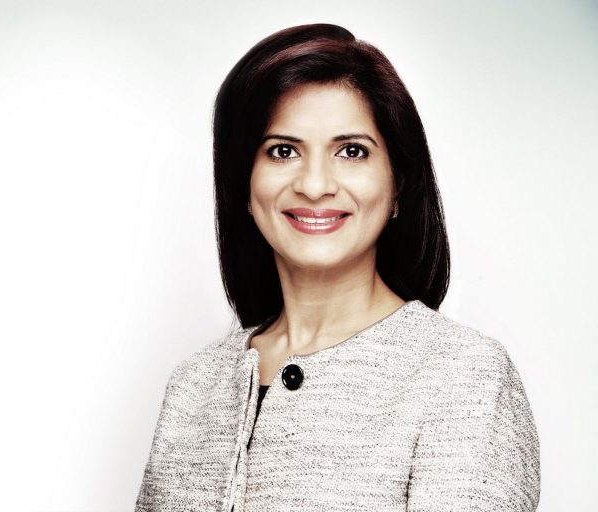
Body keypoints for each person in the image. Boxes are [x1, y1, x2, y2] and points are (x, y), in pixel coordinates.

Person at [134, 23, 540, 511]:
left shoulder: (463, 376)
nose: (314, 185)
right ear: (244, 183)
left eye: (351, 151)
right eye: (283, 151)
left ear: (398, 183)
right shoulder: (194, 385)